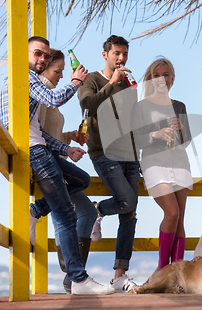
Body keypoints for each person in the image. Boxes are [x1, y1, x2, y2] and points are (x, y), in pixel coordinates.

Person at [0, 36, 114, 295]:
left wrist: (66, 148)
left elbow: (37, 130)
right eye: (38, 54)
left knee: (81, 180)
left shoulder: (26, 82)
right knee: (65, 214)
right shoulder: (25, 77)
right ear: (24, 54)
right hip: (34, 152)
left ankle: (35, 210)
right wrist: (76, 81)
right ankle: (78, 280)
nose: (43, 59)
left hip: (38, 147)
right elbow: (53, 99)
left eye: (46, 55)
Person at [28, 49, 98, 294]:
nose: (59, 76)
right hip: (47, 162)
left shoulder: (46, 95)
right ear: (44, 69)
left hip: (55, 158)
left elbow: (47, 132)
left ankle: (73, 277)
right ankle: (74, 277)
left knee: (83, 209)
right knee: (77, 213)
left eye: (60, 72)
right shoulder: (43, 93)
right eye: (56, 71)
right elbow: (40, 135)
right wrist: (66, 147)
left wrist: (69, 138)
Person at [77, 35, 140, 292]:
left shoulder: (128, 83)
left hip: (130, 153)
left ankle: (119, 276)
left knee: (130, 213)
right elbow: (88, 105)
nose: (121, 58)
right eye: (116, 53)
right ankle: (97, 209)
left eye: (124, 54)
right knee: (127, 201)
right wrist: (112, 83)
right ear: (105, 54)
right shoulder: (92, 79)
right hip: (104, 151)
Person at [131, 57, 192, 269]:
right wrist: (155, 134)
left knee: (180, 220)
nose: (161, 79)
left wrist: (181, 130)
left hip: (179, 163)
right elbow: (135, 140)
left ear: (172, 78)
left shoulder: (180, 106)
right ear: (149, 80)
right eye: (156, 75)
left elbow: (186, 141)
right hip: (154, 164)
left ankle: (177, 273)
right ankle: (162, 269)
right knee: (172, 213)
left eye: (165, 74)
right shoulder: (141, 107)